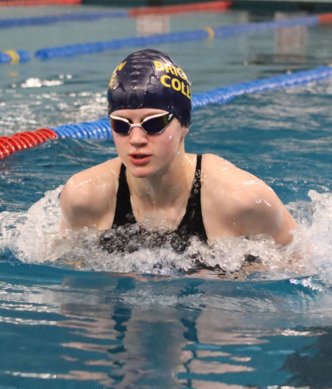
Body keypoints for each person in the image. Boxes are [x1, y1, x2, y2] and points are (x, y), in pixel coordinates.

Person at [60, 49, 296, 254]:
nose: (136, 139)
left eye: (153, 124)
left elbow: (299, 260)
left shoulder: (242, 200)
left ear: (184, 125)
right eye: (121, 125)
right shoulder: (85, 197)